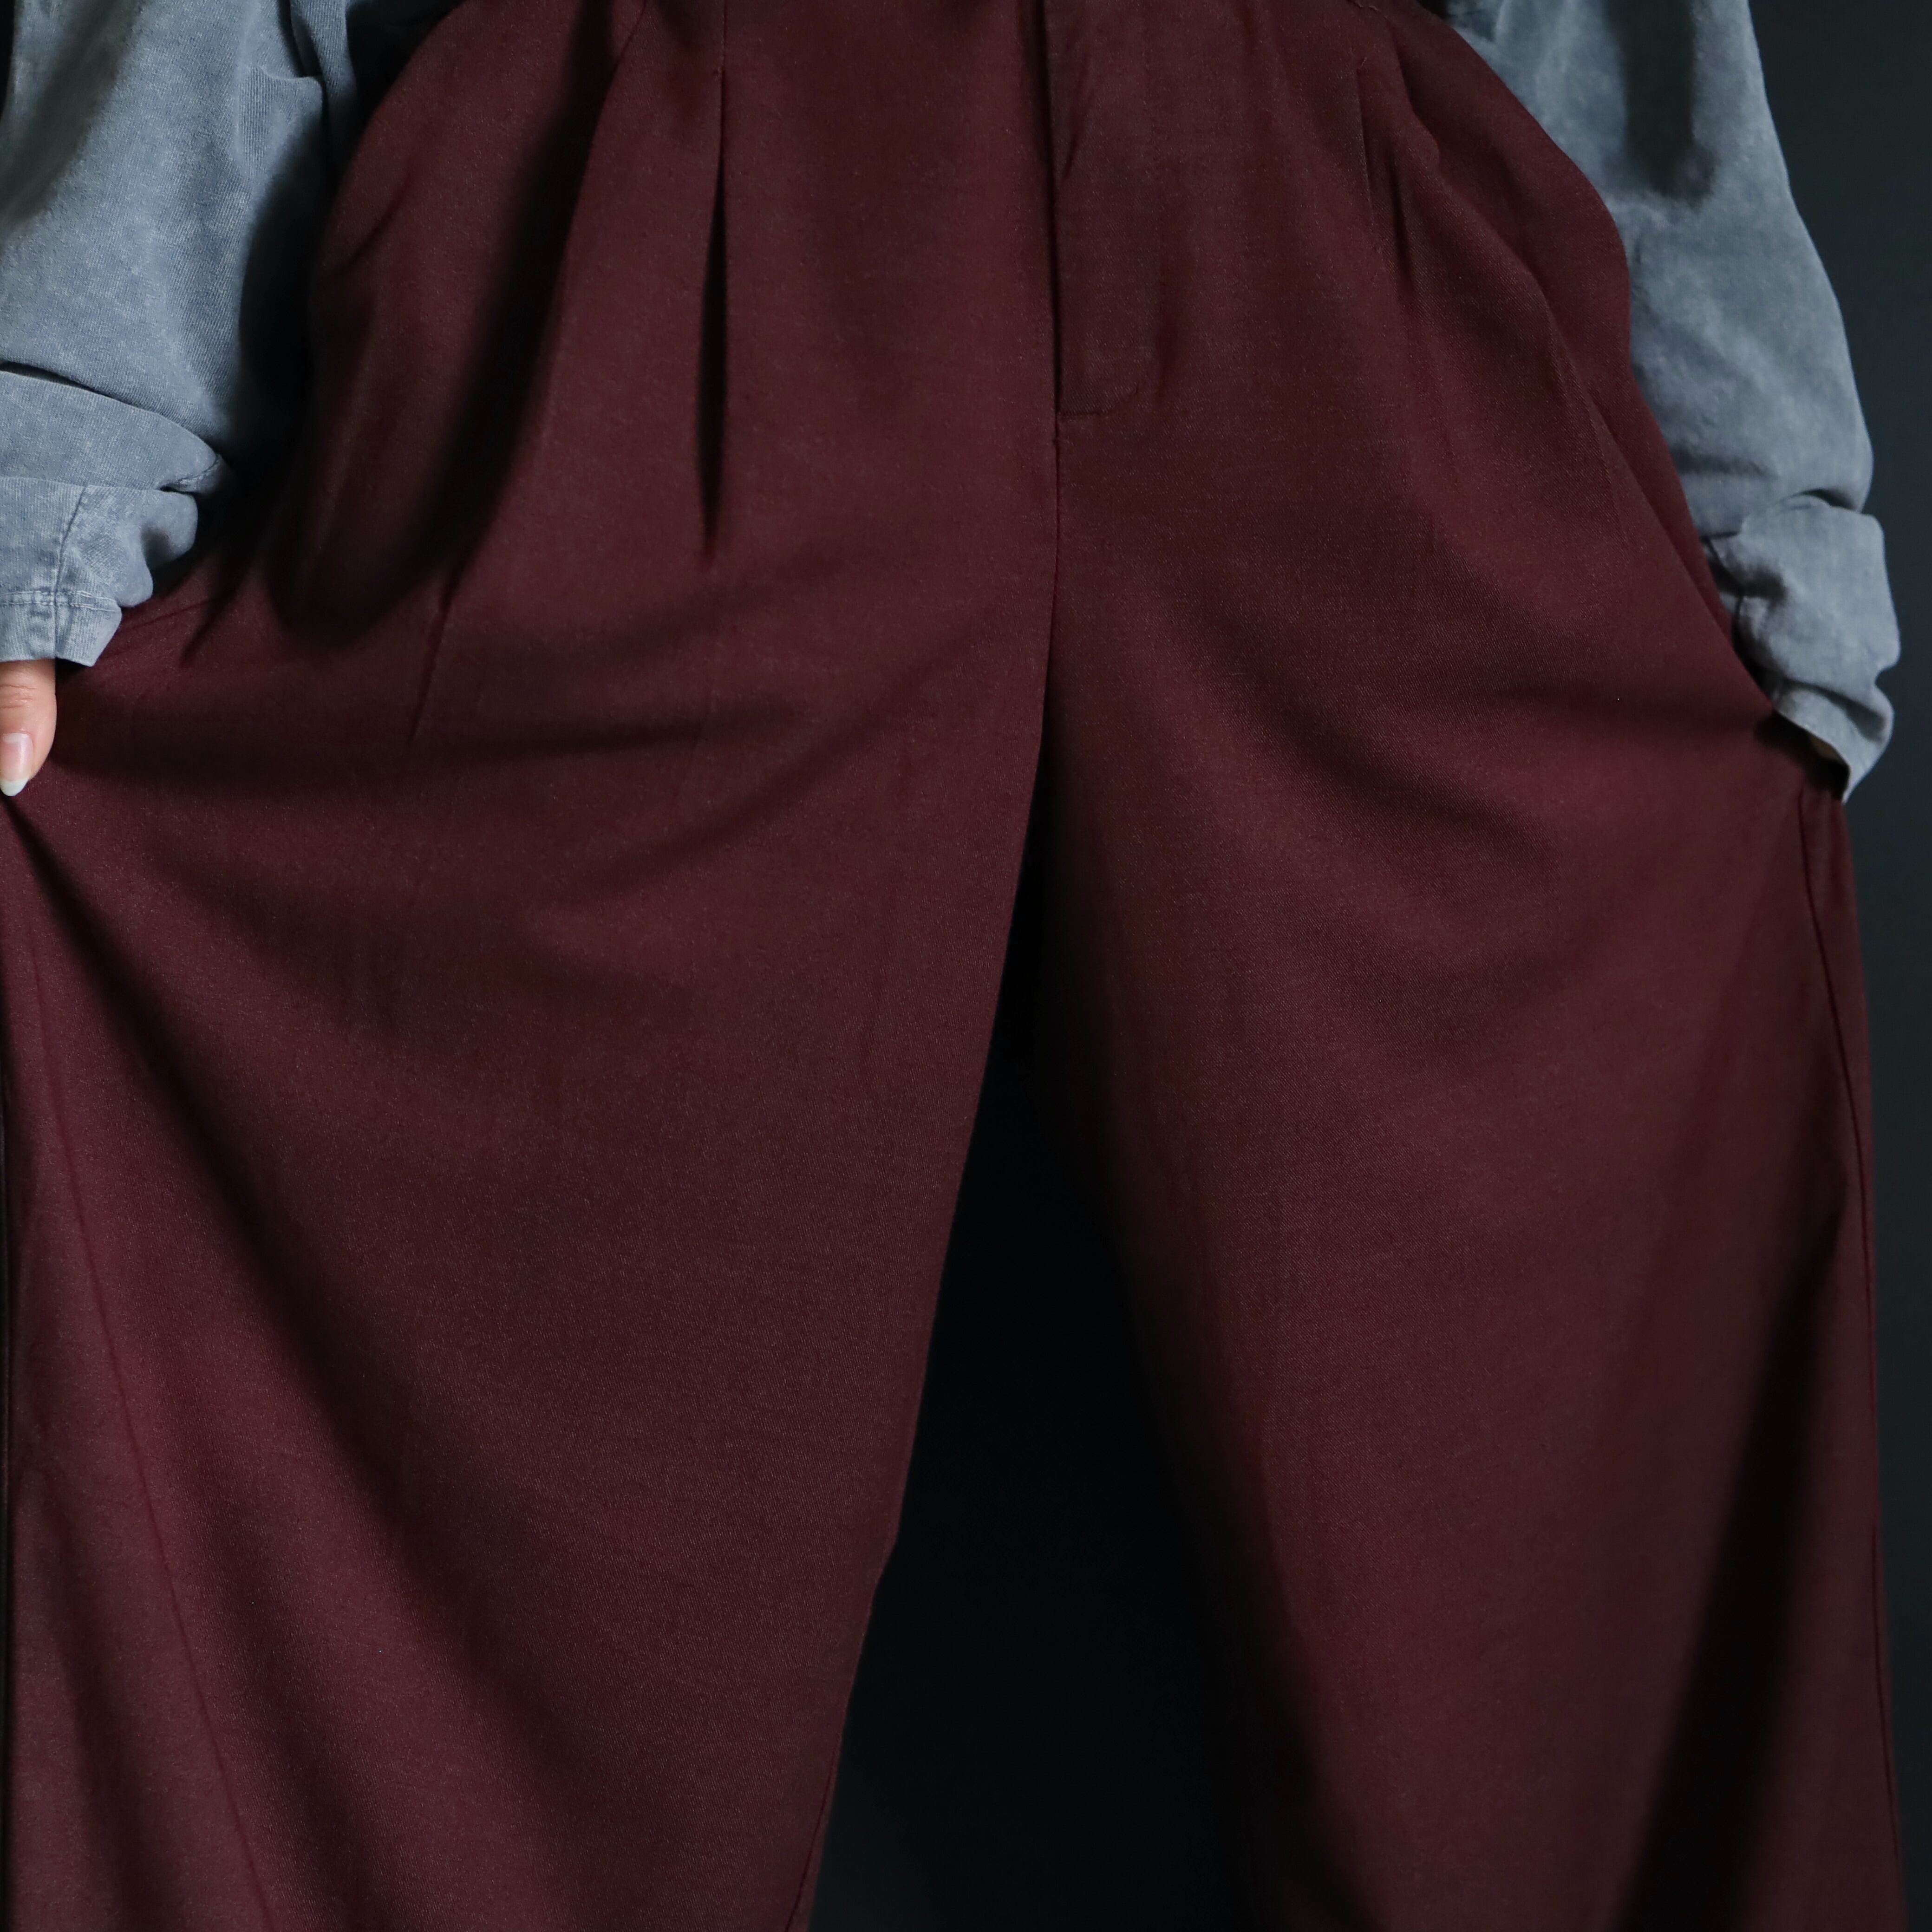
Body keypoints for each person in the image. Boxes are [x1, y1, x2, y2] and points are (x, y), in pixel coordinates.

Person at [0, 0, 1905, 1924]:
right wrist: (52, 470)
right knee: (486, 1414)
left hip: (1334, 235)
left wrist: (1763, 512)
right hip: (650, 199)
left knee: (1529, 1448)